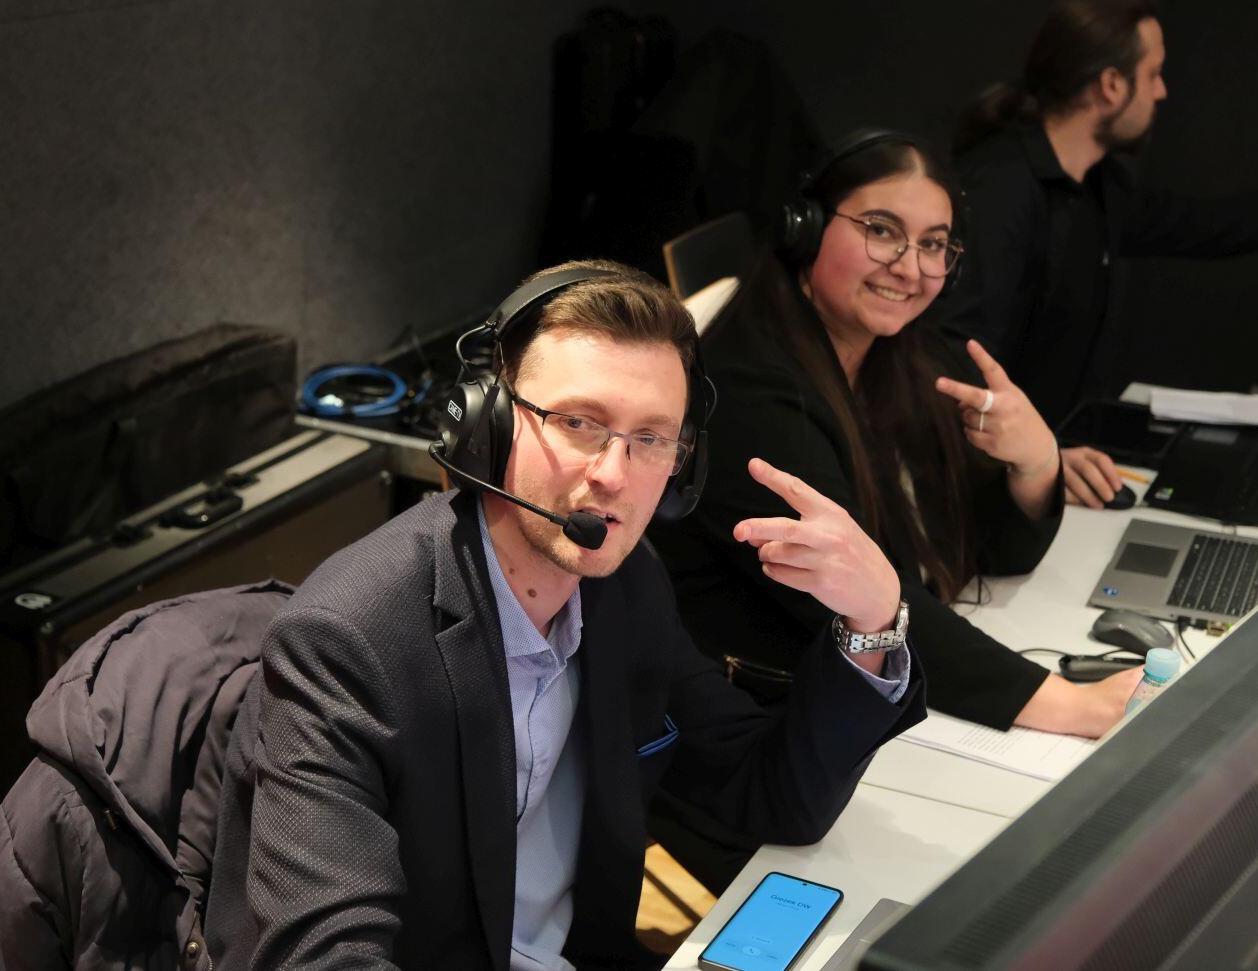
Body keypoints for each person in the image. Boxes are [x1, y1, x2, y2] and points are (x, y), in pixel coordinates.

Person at [203, 261, 925, 970]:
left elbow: (771, 795)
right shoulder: (347, 643)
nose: (614, 474)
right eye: (579, 422)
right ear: (487, 422)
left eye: (651, 438)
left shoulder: (623, 586)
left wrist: (871, 620)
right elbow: (321, 954)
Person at [650, 130, 1140, 737]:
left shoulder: (903, 360)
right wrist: (1067, 704)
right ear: (805, 227)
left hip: (856, 692)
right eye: (881, 230)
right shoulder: (749, 393)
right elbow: (857, 592)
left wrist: (1036, 463)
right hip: (755, 723)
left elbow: (994, 555)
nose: (910, 269)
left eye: (933, 244)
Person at [936, 0, 1258, 508]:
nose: (1162, 91)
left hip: (1048, 463)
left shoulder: (1098, 187)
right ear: (1111, 85)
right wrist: (1037, 459)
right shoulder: (1001, 190)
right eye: (1153, 74)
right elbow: (956, 363)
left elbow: (1201, 224)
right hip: (983, 484)